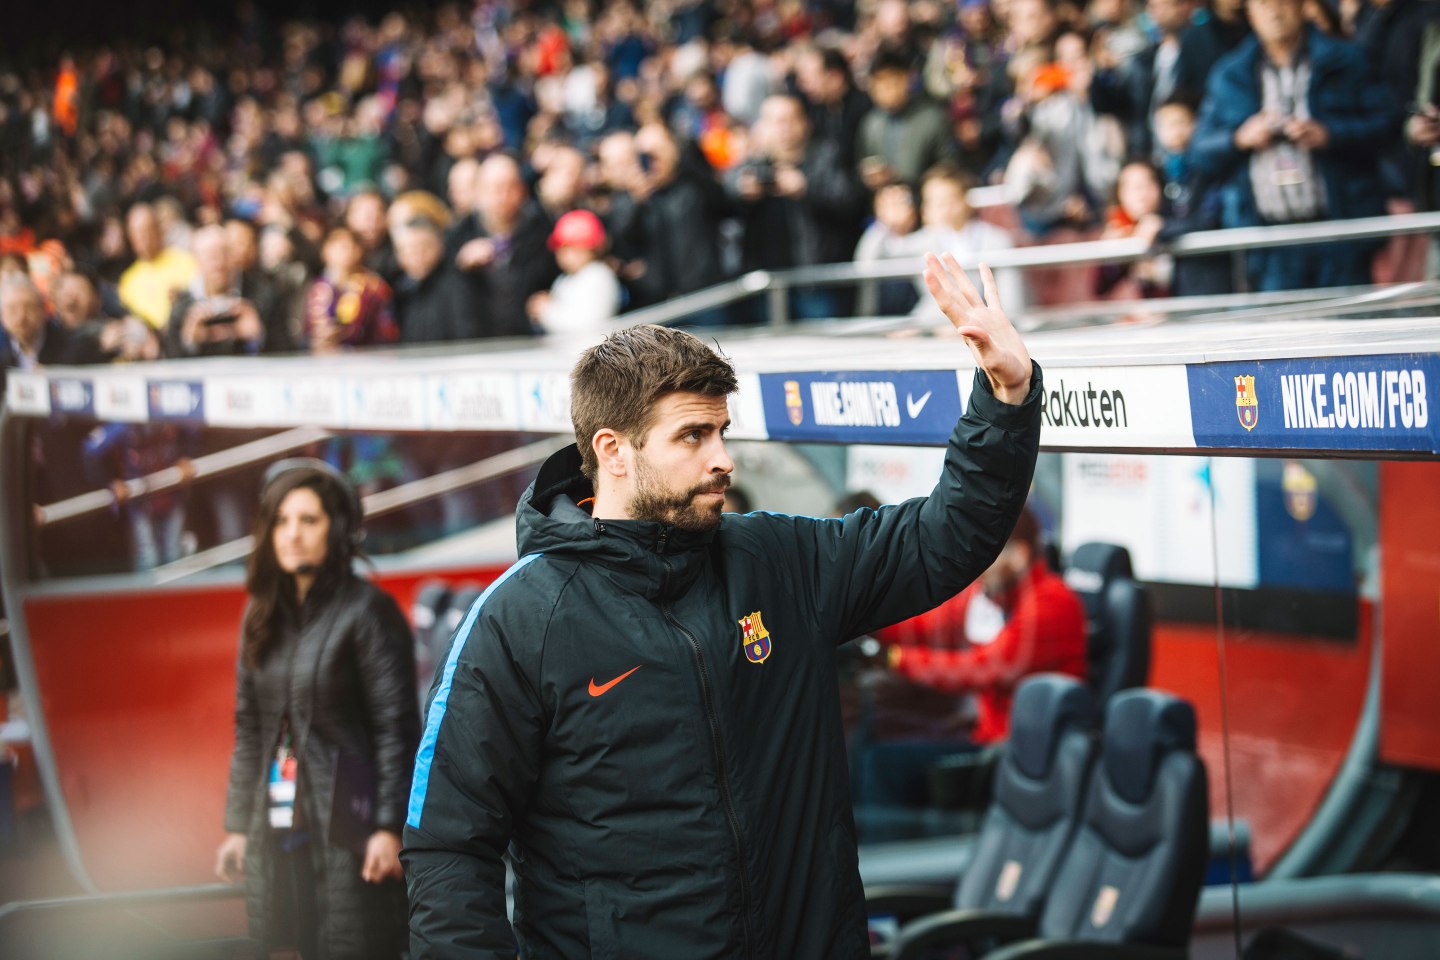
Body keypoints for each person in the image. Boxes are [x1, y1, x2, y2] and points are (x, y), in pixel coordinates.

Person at [402, 252, 1042, 959]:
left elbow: (943, 537)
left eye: (721, 431)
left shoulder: (779, 561)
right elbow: (449, 846)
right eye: (692, 435)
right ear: (614, 451)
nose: (723, 459)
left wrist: (1006, 395)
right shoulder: (519, 619)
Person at [216, 460, 419, 960]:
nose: (293, 534)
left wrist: (388, 827)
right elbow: (250, 729)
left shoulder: (368, 611)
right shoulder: (260, 615)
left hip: (349, 826)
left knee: (350, 944)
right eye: (281, 521)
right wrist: (238, 826)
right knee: (283, 944)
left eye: (309, 520)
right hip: (277, 826)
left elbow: (396, 729)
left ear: (339, 528)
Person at [1189, 0, 1402, 290]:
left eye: (1283, 2)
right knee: (1282, 319)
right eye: (1262, 3)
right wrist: (1239, 138)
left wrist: (1330, 134)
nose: (1274, 11)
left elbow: (1389, 124)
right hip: (1269, 241)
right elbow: (1199, 151)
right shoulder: (1231, 74)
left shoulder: (1347, 59)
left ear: (1302, 6)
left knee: (1347, 317)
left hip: (1340, 232)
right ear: (1249, 12)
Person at [526, 209, 622, 336]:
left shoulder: (600, 276)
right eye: (561, 248)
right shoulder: (564, 280)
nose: (565, 254)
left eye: (572, 246)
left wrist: (546, 310)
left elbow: (588, 326)